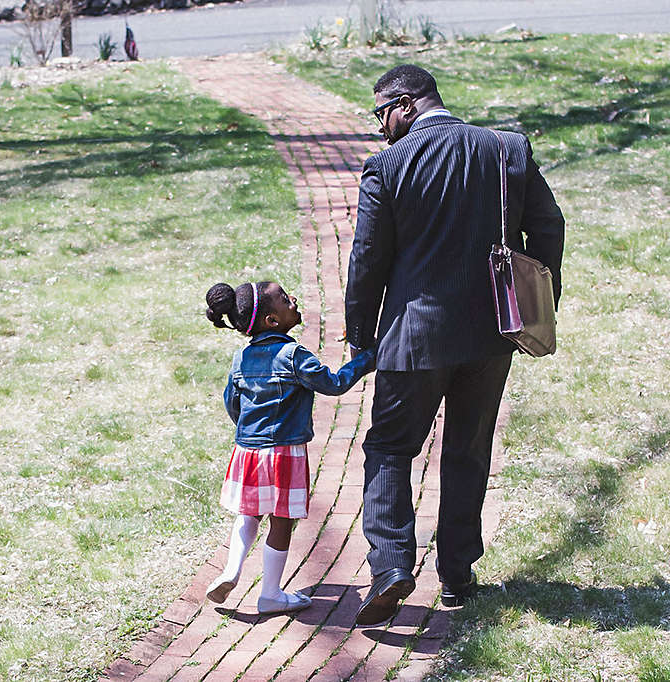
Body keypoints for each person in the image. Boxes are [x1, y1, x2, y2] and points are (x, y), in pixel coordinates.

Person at [345, 64, 565, 626]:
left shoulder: (386, 167)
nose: (380, 129)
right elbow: (549, 225)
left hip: (412, 339)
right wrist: (540, 296)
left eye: (381, 116)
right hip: (493, 332)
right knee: (467, 450)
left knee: (391, 450)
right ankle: (458, 576)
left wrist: (361, 335)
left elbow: (368, 261)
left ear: (405, 105)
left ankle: (392, 563)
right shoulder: (505, 150)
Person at [204, 280, 376, 614]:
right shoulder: (292, 355)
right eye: (285, 299)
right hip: (284, 453)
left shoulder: (242, 357)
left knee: (248, 512)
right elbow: (335, 383)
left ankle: (231, 569)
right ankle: (270, 594)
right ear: (272, 320)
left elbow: (232, 403)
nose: (293, 299)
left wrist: (250, 431)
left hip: (248, 451)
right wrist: (367, 359)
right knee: (281, 522)